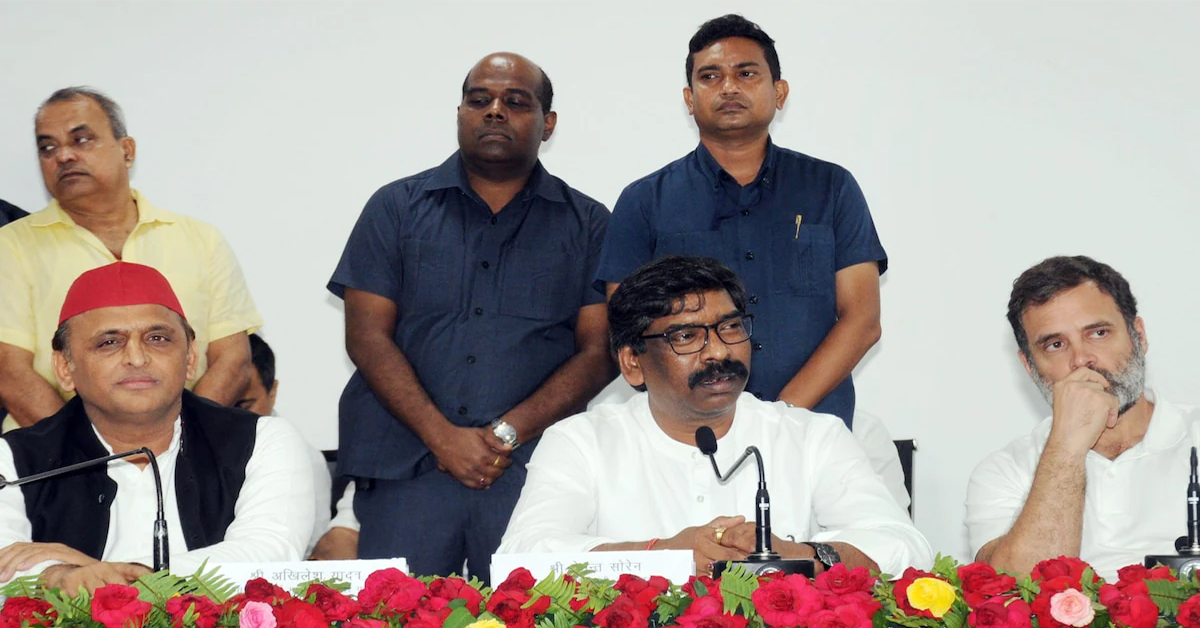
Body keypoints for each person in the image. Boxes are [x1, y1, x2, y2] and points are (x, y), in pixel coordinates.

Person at [327, 52, 613, 581]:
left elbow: (600, 352)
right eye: (479, 100)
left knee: (531, 614)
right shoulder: (395, 208)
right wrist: (442, 437)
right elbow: (366, 337)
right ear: (459, 113)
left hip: (531, 470)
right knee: (397, 614)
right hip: (408, 465)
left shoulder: (590, 223)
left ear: (548, 123)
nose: (495, 111)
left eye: (516, 102)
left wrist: (505, 434)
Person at [498, 256, 930, 576]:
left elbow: (906, 547)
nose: (720, 352)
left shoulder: (812, 436)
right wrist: (660, 555)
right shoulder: (581, 442)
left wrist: (801, 556)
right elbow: (521, 558)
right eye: (687, 336)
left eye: (731, 327)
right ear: (632, 362)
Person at [595, 14, 887, 427]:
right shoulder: (643, 201)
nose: (729, 87)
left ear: (779, 92)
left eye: (746, 73)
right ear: (689, 99)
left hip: (811, 431)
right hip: (689, 436)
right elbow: (627, 331)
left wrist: (782, 419)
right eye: (710, 76)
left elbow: (863, 321)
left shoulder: (831, 188)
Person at [0, 262, 314, 594]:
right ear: (65, 367)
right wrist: (60, 576)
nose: (137, 358)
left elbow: (267, 556)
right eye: (109, 342)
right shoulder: (14, 460)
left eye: (157, 338)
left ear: (190, 358)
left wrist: (87, 573)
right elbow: (4, 564)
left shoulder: (261, 441)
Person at [0, 87, 262, 430]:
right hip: (50, 455)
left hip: (187, 449)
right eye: (48, 147)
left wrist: (180, 445)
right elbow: (9, 370)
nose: (63, 156)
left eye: (81, 140)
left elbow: (232, 359)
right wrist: (84, 453)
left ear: (127, 150)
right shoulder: (10, 246)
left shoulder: (200, 240)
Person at [965, 255, 1200, 580]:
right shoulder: (1005, 470)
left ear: (1139, 335)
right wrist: (1066, 448)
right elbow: (1013, 589)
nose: (1081, 360)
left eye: (1098, 333)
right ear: (1029, 366)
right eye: (1055, 345)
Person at [236, 333, 332, 556]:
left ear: (273, 392)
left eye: (244, 406)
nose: (229, 415)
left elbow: (306, 549)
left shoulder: (306, 459)